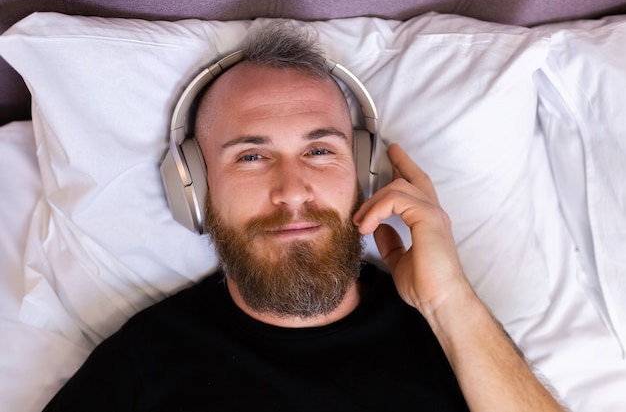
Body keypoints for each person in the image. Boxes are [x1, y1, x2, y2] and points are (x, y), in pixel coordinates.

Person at [43, 23, 565, 412]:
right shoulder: (144, 363)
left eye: (320, 152)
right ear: (196, 191)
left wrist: (448, 301)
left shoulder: (450, 333)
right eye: (251, 156)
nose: (292, 192)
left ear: (362, 173)